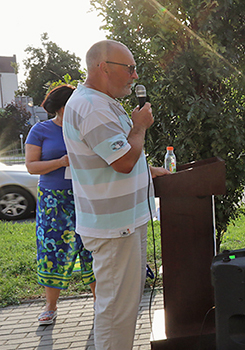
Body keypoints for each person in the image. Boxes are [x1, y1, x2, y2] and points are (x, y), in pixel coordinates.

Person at [62, 40, 168, 349]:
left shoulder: (100, 102)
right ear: (103, 68)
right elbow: (122, 161)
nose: (135, 76)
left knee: (123, 308)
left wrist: (148, 172)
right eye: (130, 68)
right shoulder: (92, 107)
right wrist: (140, 127)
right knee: (115, 313)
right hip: (114, 228)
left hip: (123, 223)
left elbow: (105, 161)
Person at [25, 85, 96, 326]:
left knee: (93, 248)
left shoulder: (84, 129)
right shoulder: (41, 130)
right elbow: (31, 166)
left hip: (86, 196)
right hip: (54, 202)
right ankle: (50, 306)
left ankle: (100, 303)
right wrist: (61, 162)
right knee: (53, 252)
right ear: (64, 106)